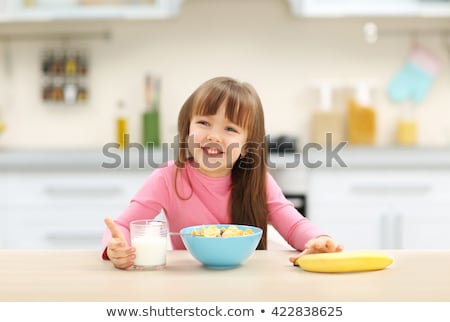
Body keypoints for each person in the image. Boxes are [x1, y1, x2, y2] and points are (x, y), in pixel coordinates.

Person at [102, 76, 343, 269]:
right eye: (204, 123)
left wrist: (319, 240)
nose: (214, 136)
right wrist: (116, 248)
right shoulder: (168, 177)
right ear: (187, 130)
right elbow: (122, 226)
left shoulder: (257, 181)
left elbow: (293, 226)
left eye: (230, 128)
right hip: (189, 283)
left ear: (247, 144)